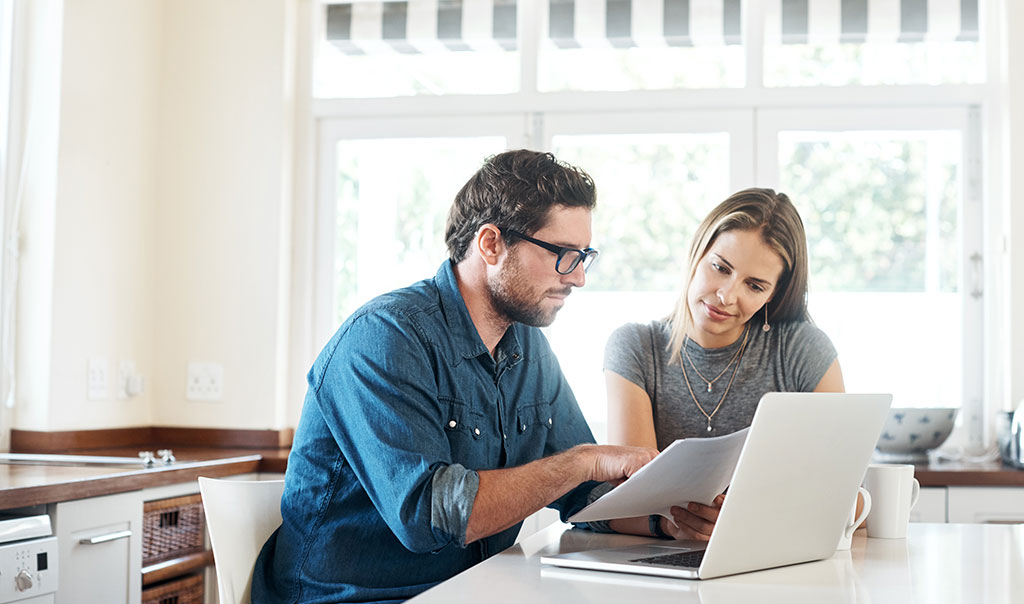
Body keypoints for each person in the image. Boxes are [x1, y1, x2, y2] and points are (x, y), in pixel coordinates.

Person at [251, 150, 658, 604]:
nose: (579, 277)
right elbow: (429, 515)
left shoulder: (528, 347)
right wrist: (584, 459)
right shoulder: (385, 337)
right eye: (563, 254)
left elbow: (585, 493)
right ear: (490, 244)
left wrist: (669, 519)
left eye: (584, 256)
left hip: (471, 590)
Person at [603, 188, 845, 542]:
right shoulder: (636, 347)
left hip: (770, 556)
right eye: (720, 267)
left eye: (755, 285)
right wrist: (679, 524)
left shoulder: (802, 349)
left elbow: (844, 495)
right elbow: (634, 498)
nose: (727, 296)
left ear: (773, 295)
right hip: (666, 563)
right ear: (697, 252)